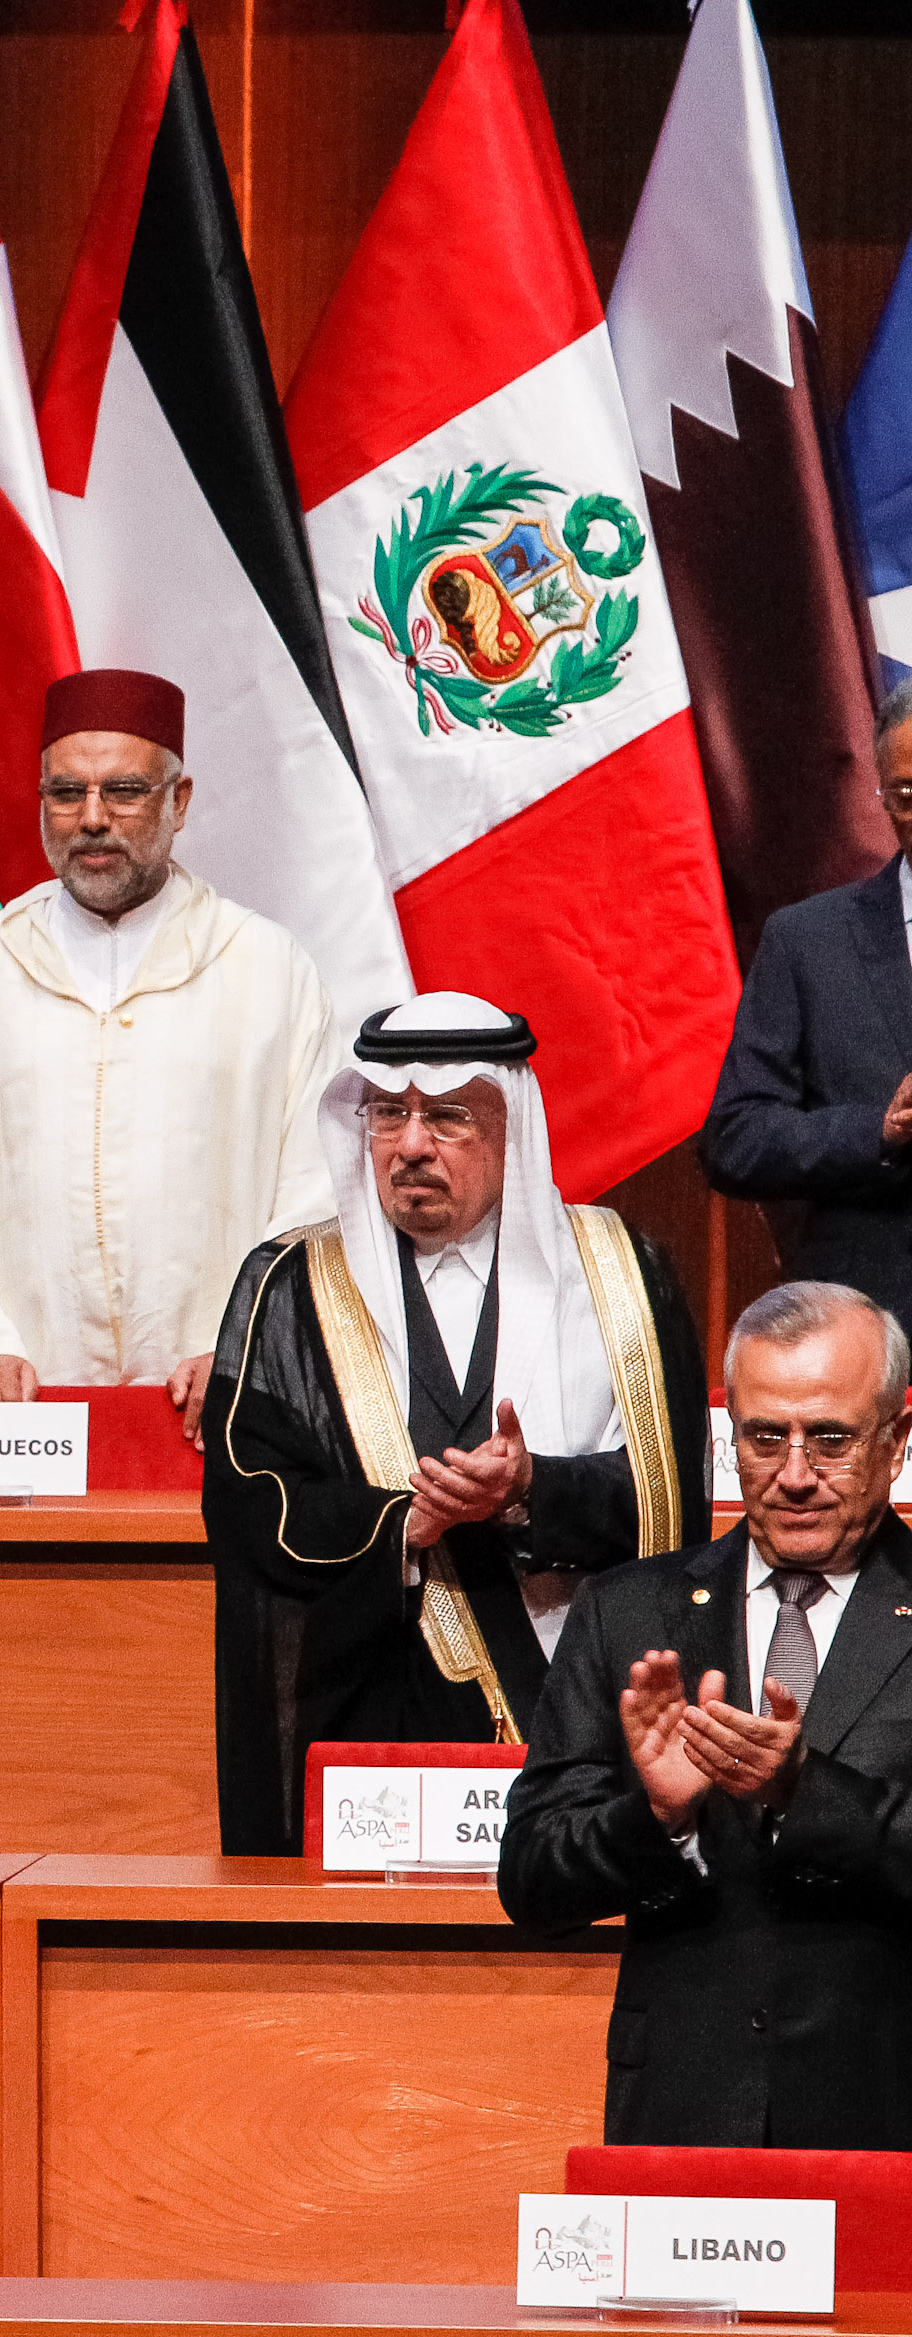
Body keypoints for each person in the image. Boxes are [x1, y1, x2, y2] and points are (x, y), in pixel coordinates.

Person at [205, 994, 707, 1855]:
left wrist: (529, 1490)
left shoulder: (619, 1274)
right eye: (388, 1115)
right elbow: (249, 1503)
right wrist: (403, 1524)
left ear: (512, 1124)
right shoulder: (289, 1286)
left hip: (576, 1713)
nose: (409, 1146)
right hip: (372, 1719)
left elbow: (670, 1507)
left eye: (446, 1118)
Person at [503, 1282, 912, 2148]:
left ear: (894, 1443)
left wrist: (803, 1790)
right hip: (685, 2118)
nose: (795, 1475)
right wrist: (655, 1815)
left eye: (830, 1439)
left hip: (884, 2113)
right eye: (767, 1438)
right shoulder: (629, 1612)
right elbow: (532, 1880)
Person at [0, 670, 334, 1446]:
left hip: (220, 1414)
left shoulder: (265, 968)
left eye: (123, 791)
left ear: (179, 800)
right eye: (66, 793)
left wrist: (246, 1343)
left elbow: (316, 1188)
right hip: (18, 1423)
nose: (92, 819)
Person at [699, 681, 912, 1329]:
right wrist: (878, 1131)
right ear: (880, 797)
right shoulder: (809, 942)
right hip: (875, 1331)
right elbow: (733, 1141)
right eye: (906, 794)